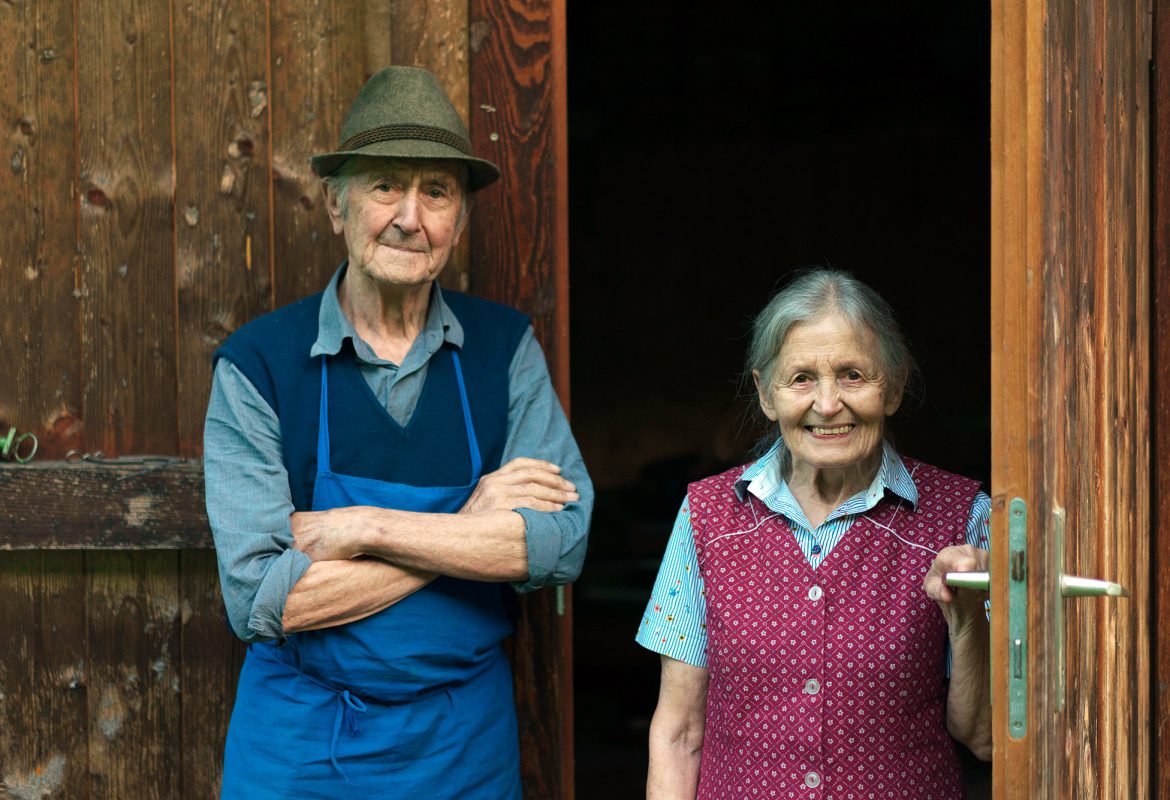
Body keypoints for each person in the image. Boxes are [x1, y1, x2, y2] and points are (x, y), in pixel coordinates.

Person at [203, 66, 593, 799]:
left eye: (437, 192)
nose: (410, 216)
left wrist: (365, 527)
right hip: (299, 742)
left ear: (459, 221)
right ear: (335, 205)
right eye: (385, 184)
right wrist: (467, 526)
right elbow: (265, 599)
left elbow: (562, 539)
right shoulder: (260, 366)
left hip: (461, 746)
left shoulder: (503, 349)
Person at [636, 269, 990, 799]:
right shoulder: (706, 516)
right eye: (801, 378)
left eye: (852, 375)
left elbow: (984, 736)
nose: (827, 405)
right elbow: (679, 732)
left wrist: (965, 616)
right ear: (766, 394)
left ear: (892, 386)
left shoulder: (961, 517)